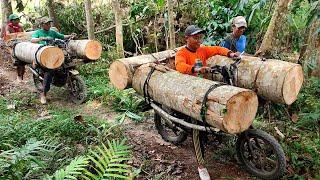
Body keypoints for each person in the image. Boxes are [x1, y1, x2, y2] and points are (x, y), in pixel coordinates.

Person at [175, 25, 238, 180]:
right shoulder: (181, 52)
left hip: (204, 89)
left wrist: (230, 53)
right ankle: (201, 166)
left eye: (200, 37)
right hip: (189, 90)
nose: (198, 40)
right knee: (197, 126)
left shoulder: (202, 50)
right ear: (187, 38)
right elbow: (180, 66)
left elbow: (217, 49)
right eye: (195, 37)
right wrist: (195, 70)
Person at [31, 17, 75, 104]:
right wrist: (41, 39)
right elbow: (32, 39)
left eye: (49, 23)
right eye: (47, 24)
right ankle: (43, 95)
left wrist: (70, 35)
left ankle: (68, 82)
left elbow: (62, 36)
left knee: (68, 63)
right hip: (43, 55)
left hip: (54, 53)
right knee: (49, 71)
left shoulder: (52, 32)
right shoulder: (38, 32)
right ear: (42, 25)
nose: (49, 25)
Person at [5, 14, 25, 82]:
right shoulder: (8, 27)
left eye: (17, 19)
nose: (17, 21)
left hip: (20, 44)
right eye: (15, 20)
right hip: (12, 44)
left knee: (23, 61)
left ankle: (21, 77)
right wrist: (12, 36)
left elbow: (23, 35)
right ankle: (18, 77)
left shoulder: (20, 27)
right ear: (11, 21)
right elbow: (7, 35)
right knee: (18, 61)